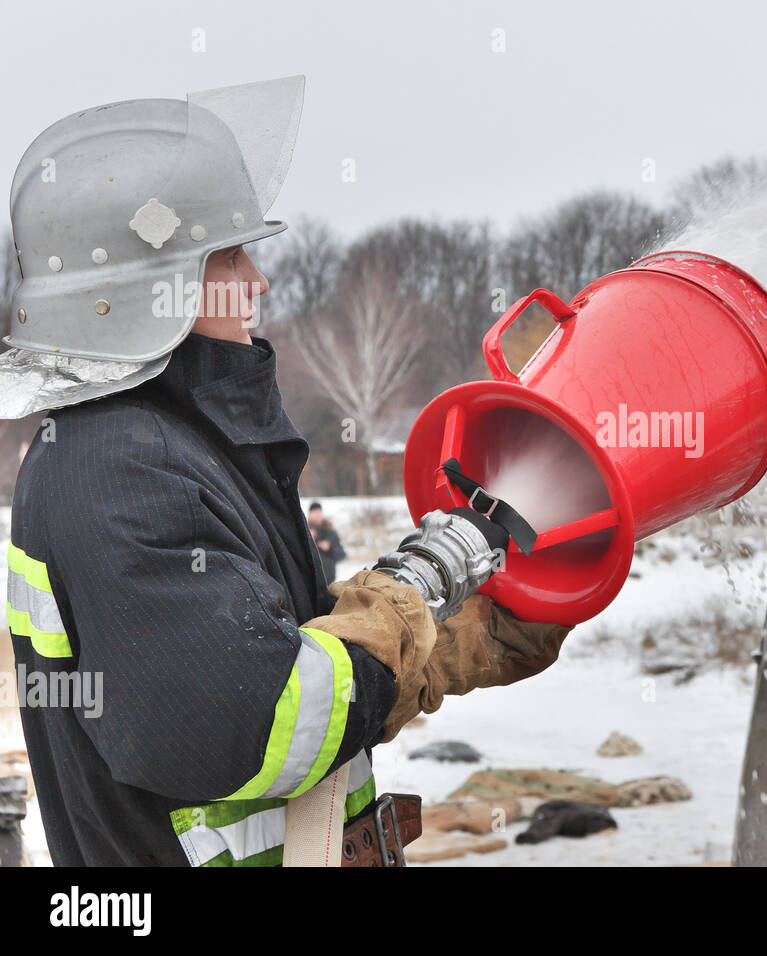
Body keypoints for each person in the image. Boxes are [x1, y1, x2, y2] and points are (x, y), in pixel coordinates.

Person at [0, 77, 570, 867]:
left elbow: (269, 646)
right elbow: (256, 722)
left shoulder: (167, 444)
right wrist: (415, 588)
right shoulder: (120, 471)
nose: (259, 284)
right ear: (146, 294)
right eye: (232, 255)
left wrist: (454, 635)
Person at [307, 502, 347, 583]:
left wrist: (330, 547)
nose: (318, 515)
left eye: (319, 512)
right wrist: (308, 538)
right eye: (315, 512)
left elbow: (342, 554)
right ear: (310, 514)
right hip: (309, 581)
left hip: (329, 581)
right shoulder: (304, 531)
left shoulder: (330, 532)